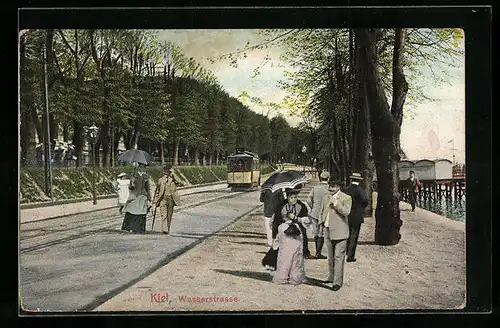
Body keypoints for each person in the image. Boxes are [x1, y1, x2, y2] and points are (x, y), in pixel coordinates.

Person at [319, 179, 352, 291]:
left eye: (333, 186)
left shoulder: (346, 198)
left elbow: (346, 212)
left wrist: (336, 203)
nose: (330, 188)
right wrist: (321, 224)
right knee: (330, 256)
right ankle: (331, 277)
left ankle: (337, 282)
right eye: (329, 186)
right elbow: (322, 211)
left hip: (340, 232)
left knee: (339, 257)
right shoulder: (326, 197)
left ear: (338, 186)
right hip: (327, 230)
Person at [272, 189, 307, 285]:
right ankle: (283, 277)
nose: (294, 199)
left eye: (295, 197)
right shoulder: (281, 206)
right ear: (287, 197)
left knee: (297, 254)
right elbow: (276, 221)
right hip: (284, 231)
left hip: (296, 230)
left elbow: (306, 220)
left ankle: (295, 277)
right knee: (285, 255)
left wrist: (296, 218)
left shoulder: (301, 206)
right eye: (291, 197)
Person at [121, 162, 153, 234]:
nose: (142, 168)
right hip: (134, 195)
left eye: (144, 167)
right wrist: (131, 183)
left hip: (143, 196)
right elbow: (130, 187)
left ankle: (140, 229)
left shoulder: (146, 176)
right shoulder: (133, 175)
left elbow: (148, 188)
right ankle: (129, 227)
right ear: (138, 167)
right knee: (131, 210)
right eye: (141, 166)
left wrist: (150, 198)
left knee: (141, 212)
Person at [344, 172, 369, 263]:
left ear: (351, 180)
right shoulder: (360, 190)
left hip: (347, 214)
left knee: (348, 234)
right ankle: (350, 256)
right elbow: (365, 201)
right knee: (354, 235)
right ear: (359, 180)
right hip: (357, 216)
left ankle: (346, 251)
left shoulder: (346, 189)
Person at [306, 170, 331, 259]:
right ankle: (318, 252)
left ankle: (317, 252)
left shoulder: (315, 188)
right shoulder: (329, 189)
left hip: (315, 213)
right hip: (325, 213)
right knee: (322, 233)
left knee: (316, 232)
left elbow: (308, 200)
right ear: (328, 179)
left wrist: (313, 207)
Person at [153, 165, 180, 234]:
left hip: (171, 199)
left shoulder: (173, 180)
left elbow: (179, 183)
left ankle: (167, 228)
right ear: (163, 172)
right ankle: (165, 229)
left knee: (169, 215)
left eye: (168, 171)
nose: (166, 173)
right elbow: (157, 191)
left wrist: (173, 175)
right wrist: (155, 201)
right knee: (163, 215)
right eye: (165, 172)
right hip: (163, 199)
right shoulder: (160, 180)